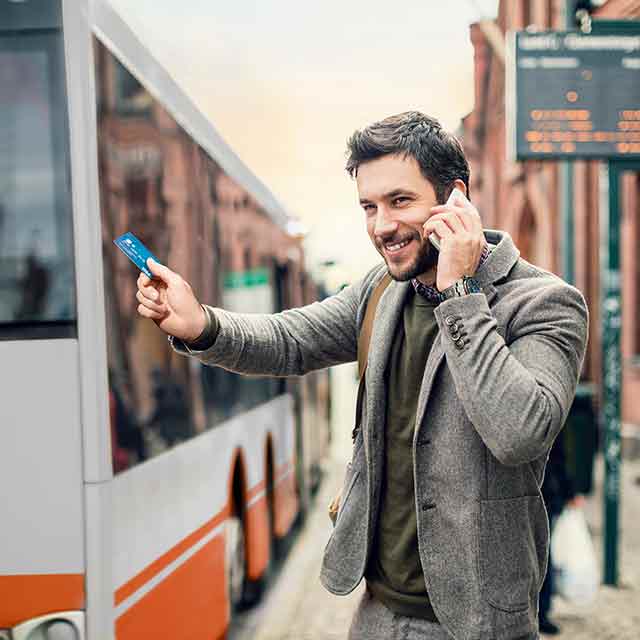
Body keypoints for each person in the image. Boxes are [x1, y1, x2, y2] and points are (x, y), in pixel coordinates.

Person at [134, 111, 589, 640]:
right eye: (369, 207)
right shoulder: (380, 289)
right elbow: (291, 339)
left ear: (456, 199)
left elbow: (520, 432)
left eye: (400, 202)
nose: (381, 226)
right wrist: (201, 324)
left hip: (476, 623)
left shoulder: (544, 303)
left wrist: (460, 293)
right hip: (374, 612)